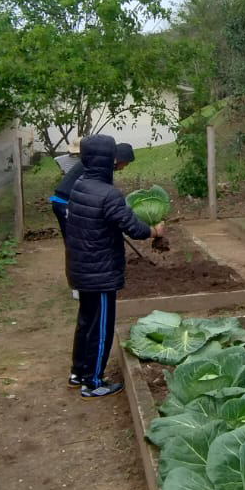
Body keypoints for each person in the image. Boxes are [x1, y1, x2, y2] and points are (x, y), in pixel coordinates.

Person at [63, 135, 164, 398]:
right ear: (107, 159)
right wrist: (154, 231)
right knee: (102, 328)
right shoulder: (108, 194)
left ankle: (78, 373)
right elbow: (133, 228)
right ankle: (93, 382)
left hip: (81, 268)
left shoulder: (80, 185)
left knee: (86, 322)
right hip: (100, 274)